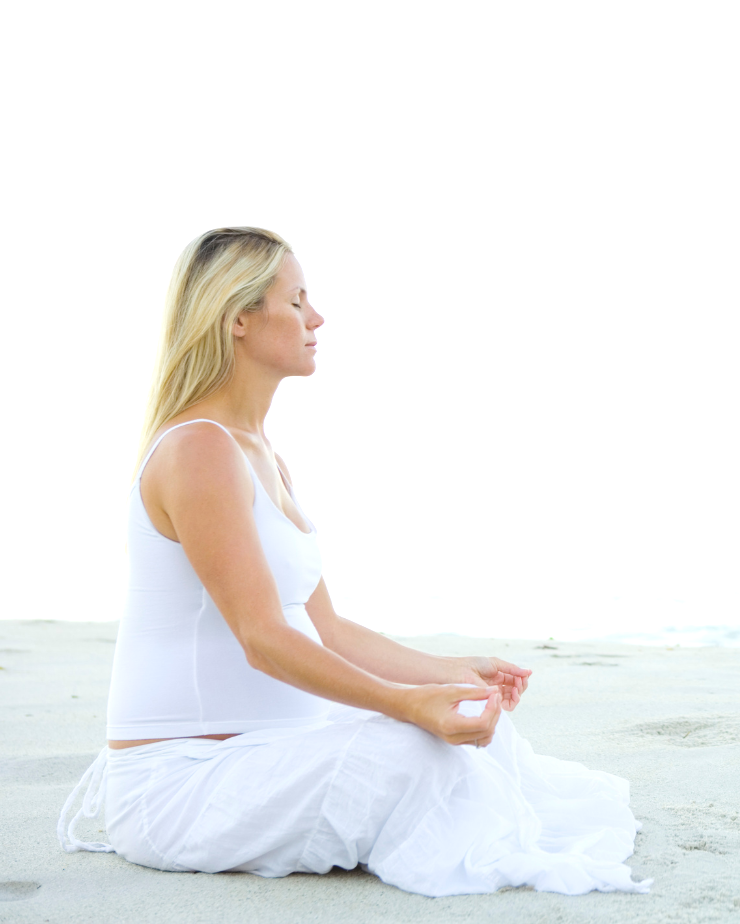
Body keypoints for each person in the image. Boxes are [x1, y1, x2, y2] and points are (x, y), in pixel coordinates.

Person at [58, 227, 651, 897]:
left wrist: (449, 672)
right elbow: (262, 638)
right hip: (185, 784)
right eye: (297, 301)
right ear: (239, 319)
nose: (317, 318)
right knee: (410, 747)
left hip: (264, 752)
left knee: (464, 730)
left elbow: (328, 631)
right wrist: (408, 703)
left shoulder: (261, 454)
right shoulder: (198, 450)